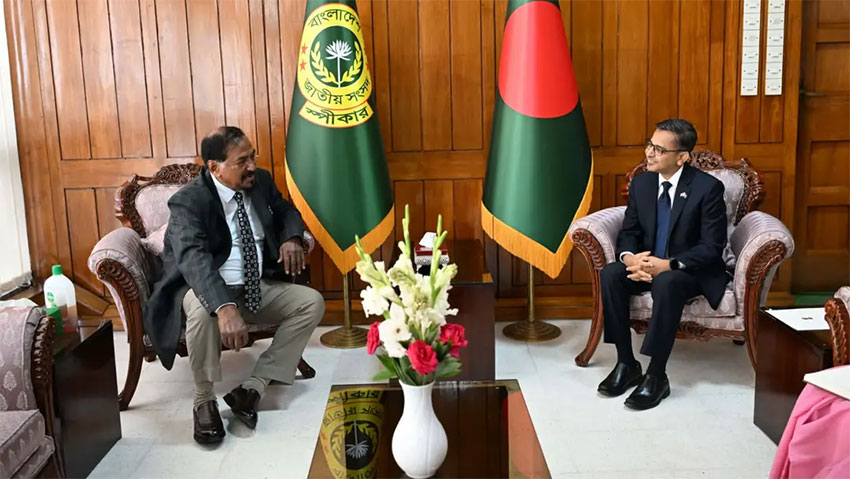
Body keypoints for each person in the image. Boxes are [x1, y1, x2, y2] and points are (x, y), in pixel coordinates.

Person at [143, 126, 325, 443]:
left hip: (255, 287)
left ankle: (252, 388)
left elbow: (285, 210)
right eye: (242, 161)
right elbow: (194, 260)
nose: (252, 166)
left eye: (252, 157)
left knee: (311, 303)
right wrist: (225, 306)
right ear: (215, 168)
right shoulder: (188, 202)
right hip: (202, 288)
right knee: (204, 310)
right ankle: (204, 400)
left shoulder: (260, 181)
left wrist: (292, 237)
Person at [596, 118, 728, 410]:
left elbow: (711, 248)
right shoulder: (642, 183)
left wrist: (669, 265)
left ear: (682, 157)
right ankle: (626, 363)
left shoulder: (708, 188)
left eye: (659, 149)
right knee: (612, 274)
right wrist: (631, 258)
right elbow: (629, 232)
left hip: (688, 271)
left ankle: (656, 374)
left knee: (667, 282)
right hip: (647, 264)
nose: (649, 153)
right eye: (649, 145)